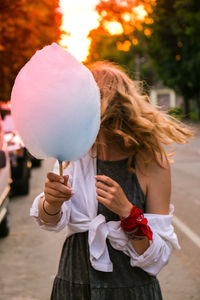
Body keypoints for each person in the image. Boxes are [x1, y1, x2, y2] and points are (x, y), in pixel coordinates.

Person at [30, 61, 193, 300]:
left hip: (132, 291)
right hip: (74, 285)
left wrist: (129, 214)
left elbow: (157, 258)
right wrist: (51, 202)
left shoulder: (151, 161)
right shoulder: (73, 153)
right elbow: (50, 222)